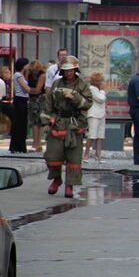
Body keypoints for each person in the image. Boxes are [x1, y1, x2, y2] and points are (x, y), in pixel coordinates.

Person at [42, 56, 93, 198]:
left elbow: (88, 103)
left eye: (71, 70)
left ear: (75, 69)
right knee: (52, 155)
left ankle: (69, 185)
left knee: (74, 158)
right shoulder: (56, 83)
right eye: (66, 70)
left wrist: (75, 97)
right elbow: (48, 103)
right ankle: (56, 179)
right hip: (58, 123)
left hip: (74, 123)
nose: (69, 73)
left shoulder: (82, 84)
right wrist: (45, 122)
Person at [83, 72, 106, 163]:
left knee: (100, 136)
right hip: (93, 115)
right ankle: (86, 154)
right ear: (98, 81)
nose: (103, 82)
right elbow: (100, 99)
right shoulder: (92, 89)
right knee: (92, 135)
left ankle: (98, 156)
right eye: (102, 80)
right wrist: (102, 91)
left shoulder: (100, 91)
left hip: (101, 114)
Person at [10, 58, 31, 153]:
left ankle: (19, 146)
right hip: (20, 100)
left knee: (22, 123)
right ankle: (17, 146)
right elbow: (26, 89)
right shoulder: (18, 75)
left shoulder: (21, 75)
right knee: (20, 123)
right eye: (27, 64)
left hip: (22, 99)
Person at [27, 60, 46, 152]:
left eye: (35, 70)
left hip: (39, 99)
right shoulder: (30, 75)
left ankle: (37, 143)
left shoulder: (42, 75)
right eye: (32, 70)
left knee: (38, 122)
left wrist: (28, 89)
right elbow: (26, 83)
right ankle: (36, 143)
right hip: (32, 99)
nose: (33, 71)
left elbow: (38, 89)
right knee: (34, 122)